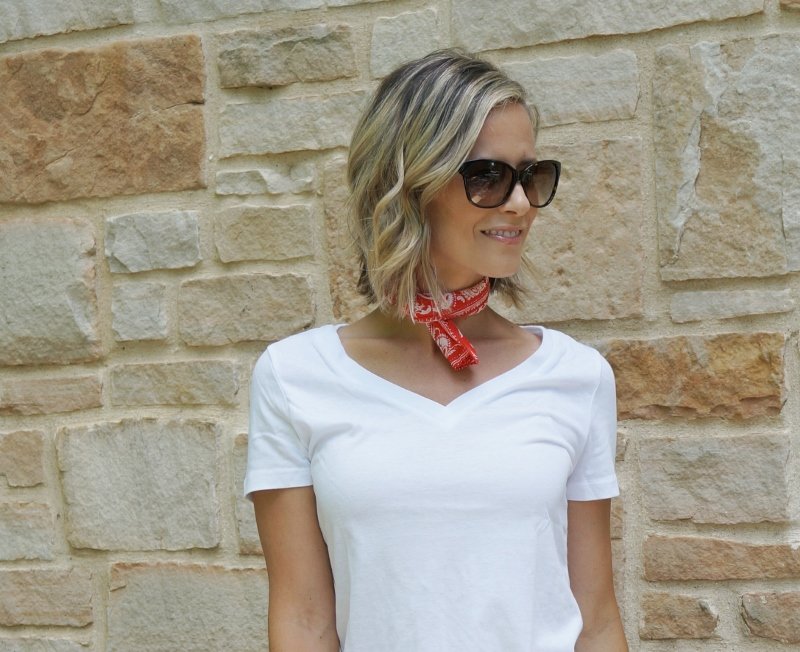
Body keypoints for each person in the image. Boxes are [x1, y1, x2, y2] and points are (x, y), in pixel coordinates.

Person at [244, 49, 627, 652]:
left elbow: (597, 619)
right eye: (487, 176)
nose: (521, 203)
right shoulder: (295, 377)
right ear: (409, 185)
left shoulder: (576, 376)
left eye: (531, 175)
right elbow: (302, 621)